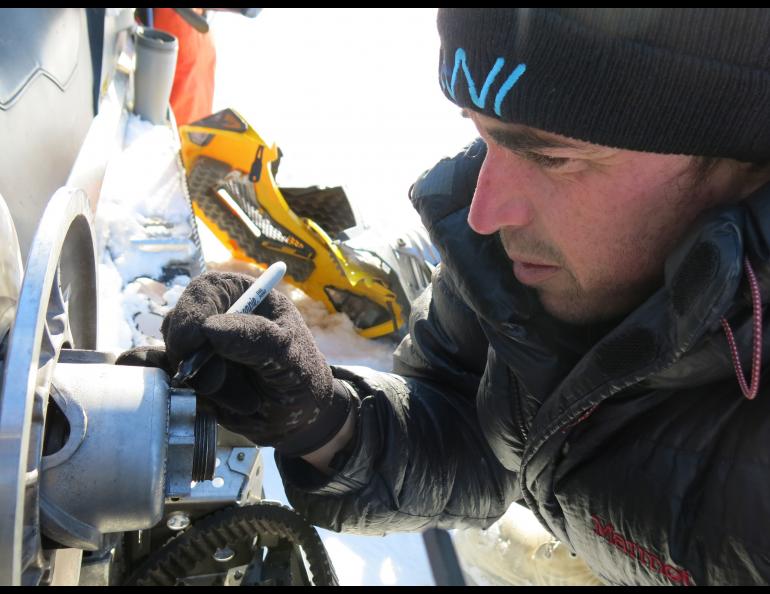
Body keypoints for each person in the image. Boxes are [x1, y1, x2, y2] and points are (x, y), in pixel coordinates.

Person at [122, 8, 770, 585]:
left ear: (747, 163)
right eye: (485, 136)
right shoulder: (513, 258)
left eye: (553, 159)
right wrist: (322, 418)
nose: (485, 213)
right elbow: (477, 431)